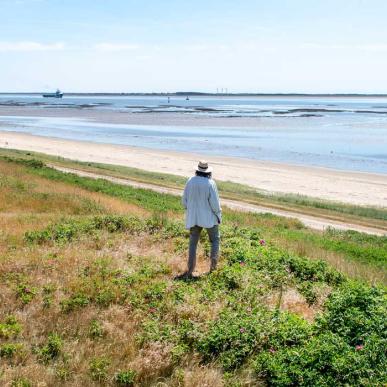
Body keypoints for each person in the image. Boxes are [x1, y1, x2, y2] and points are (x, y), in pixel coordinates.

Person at [181, 160, 221, 278]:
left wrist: (191, 210)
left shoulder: (190, 181)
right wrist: (218, 215)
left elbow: (184, 201)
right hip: (209, 218)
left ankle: (190, 270)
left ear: (197, 170)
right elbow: (215, 204)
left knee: (193, 243)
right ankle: (213, 269)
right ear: (208, 172)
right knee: (215, 240)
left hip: (193, 218)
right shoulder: (210, 183)